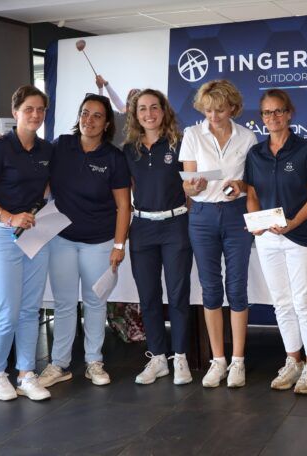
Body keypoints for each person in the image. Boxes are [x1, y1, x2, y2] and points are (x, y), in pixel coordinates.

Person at [38, 93, 131, 388]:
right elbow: (37, 172)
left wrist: (119, 245)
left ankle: (94, 361)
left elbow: (124, 206)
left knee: (94, 301)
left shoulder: (113, 158)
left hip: (99, 241)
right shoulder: (61, 146)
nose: (89, 120)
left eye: (97, 116)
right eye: (84, 113)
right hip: (61, 239)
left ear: (107, 124)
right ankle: (59, 364)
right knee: (64, 303)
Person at [0, 85, 53, 401]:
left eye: (40, 109)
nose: (35, 114)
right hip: (2, 236)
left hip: (35, 235)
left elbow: (46, 187)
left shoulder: (46, 150)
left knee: (30, 308)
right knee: (7, 311)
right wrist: (9, 217)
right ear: (15, 112)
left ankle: (26, 374)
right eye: (29, 109)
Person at [244, 89, 307, 394]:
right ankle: (293, 361)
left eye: (279, 111)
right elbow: (252, 194)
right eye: (267, 112)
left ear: (289, 113)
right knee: (281, 302)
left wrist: (293, 223)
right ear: (262, 118)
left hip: (301, 237)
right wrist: (257, 222)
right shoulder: (256, 154)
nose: (273, 117)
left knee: (304, 301)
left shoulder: (305, 149)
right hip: (268, 239)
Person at [179, 80, 257, 388]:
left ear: (233, 108)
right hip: (202, 216)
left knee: (236, 287)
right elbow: (187, 184)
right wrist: (193, 186)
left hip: (237, 215)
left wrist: (241, 186)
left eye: (220, 110)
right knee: (210, 289)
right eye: (208, 110)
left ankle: (238, 360)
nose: (213, 116)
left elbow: (254, 183)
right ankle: (218, 360)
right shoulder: (192, 134)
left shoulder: (247, 137)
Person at [122, 89, 194, 386]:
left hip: (175, 226)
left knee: (177, 295)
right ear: (135, 115)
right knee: (148, 296)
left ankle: (180, 357)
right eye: (142, 108)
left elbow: (191, 188)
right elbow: (126, 190)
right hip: (142, 229)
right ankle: (158, 358)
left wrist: (182, 214)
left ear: (164, 111)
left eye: (154, 107)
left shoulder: (180, 143)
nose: (149, 113)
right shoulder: (129, 150)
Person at [95, 74, 138, 145]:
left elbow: (101, 109)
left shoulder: (118, 117)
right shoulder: (142, 124)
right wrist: (104, 85)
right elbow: (118, 103)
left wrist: (101, 87)